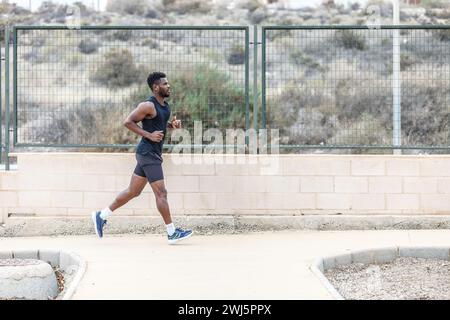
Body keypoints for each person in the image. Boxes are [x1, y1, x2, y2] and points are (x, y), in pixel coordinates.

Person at [91, 72, 193, 244]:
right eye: (165, 84)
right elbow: (128, 122)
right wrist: (149, 135)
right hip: (148, 153)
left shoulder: (165, 106)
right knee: (161, 193)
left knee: (133, 191)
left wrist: (171, 125)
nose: (169, 86)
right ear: (156, 87)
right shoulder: (147, 105)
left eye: (168, 83)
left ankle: (101, 215)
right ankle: (171, 232)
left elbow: (158, 124)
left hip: (151, 153)